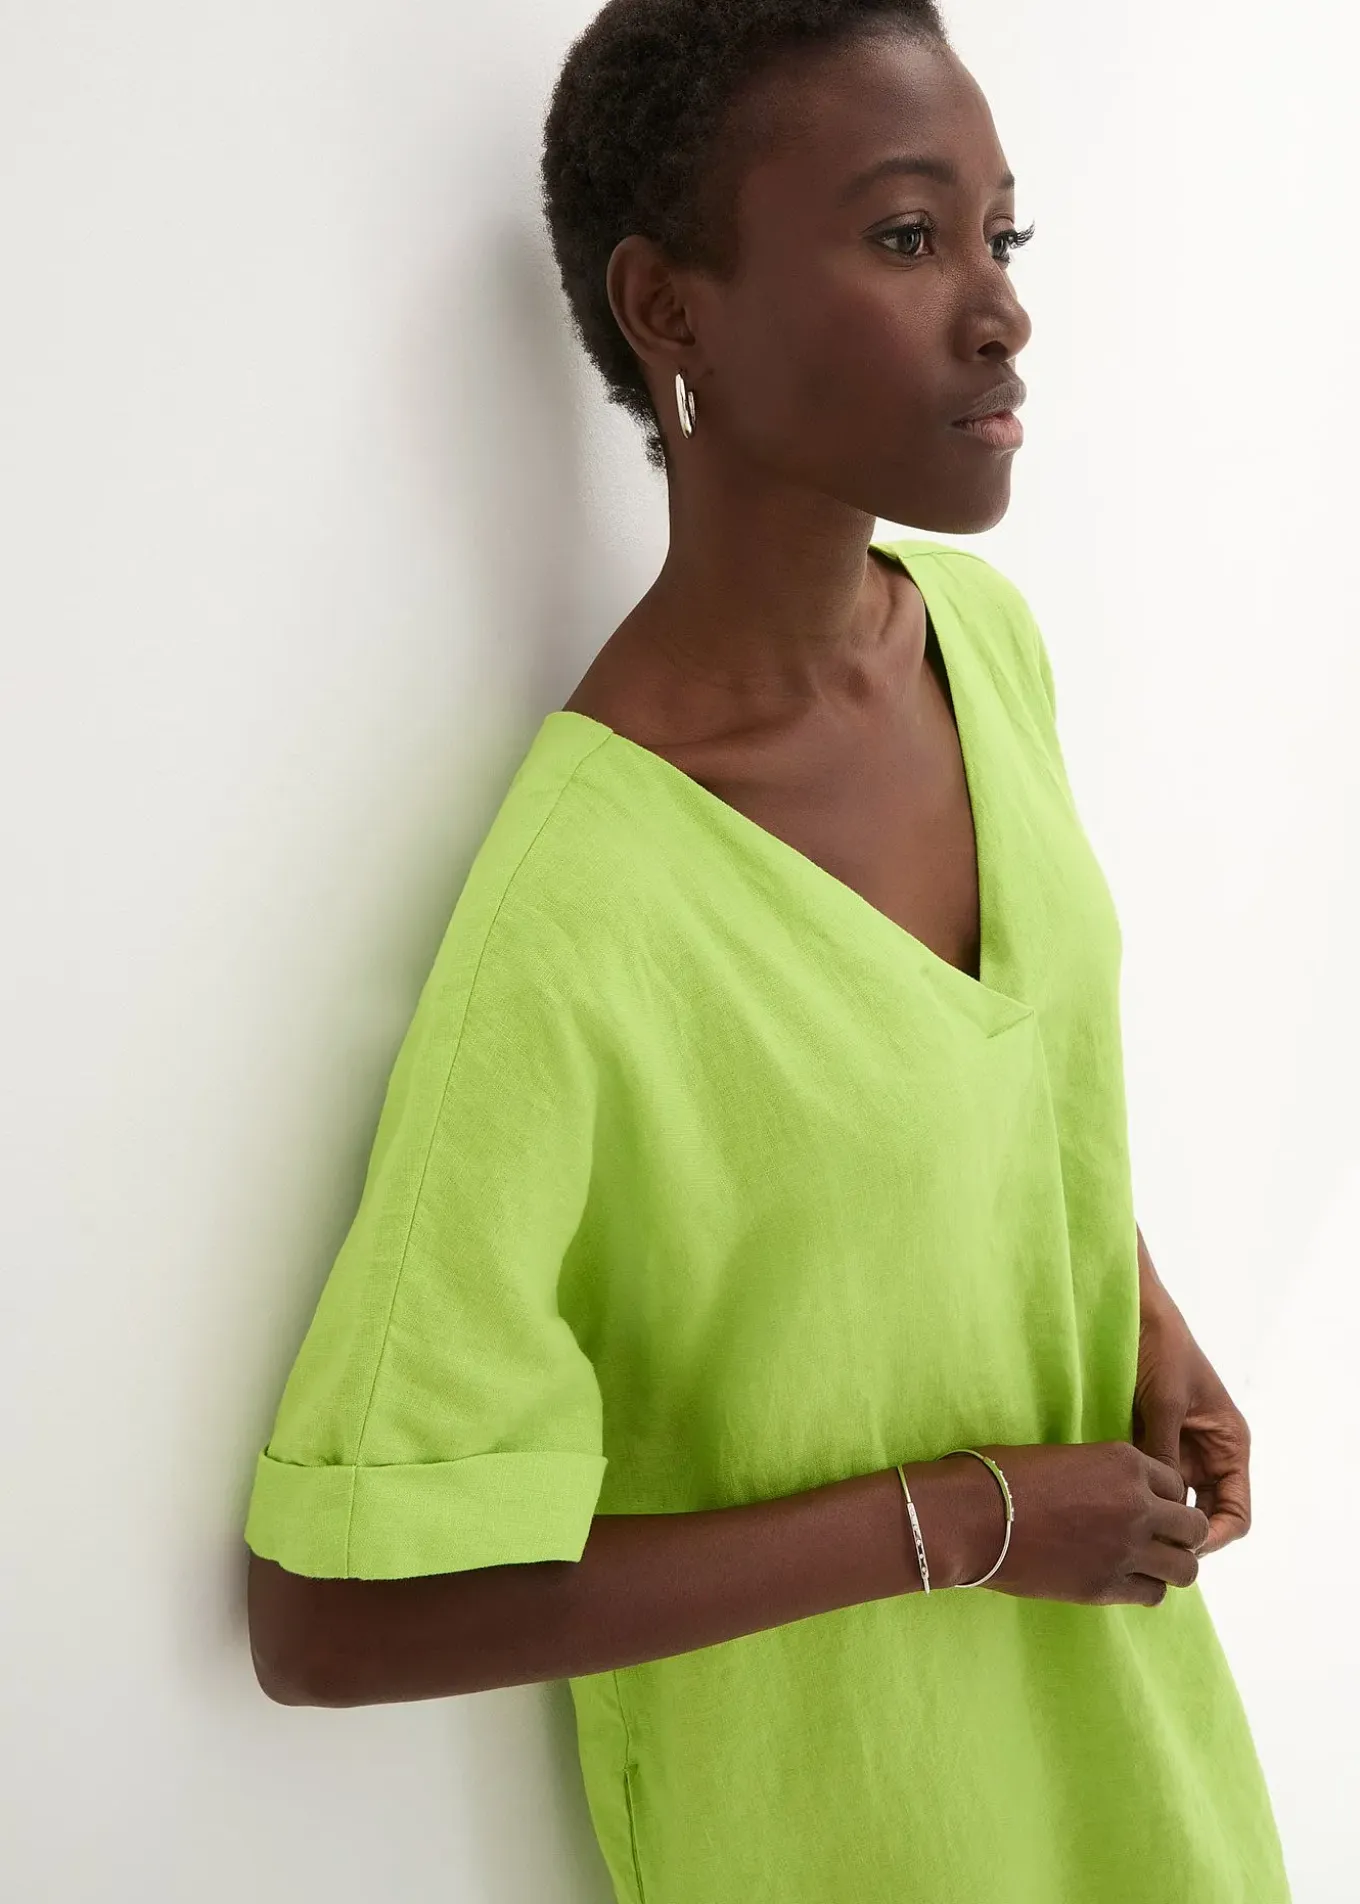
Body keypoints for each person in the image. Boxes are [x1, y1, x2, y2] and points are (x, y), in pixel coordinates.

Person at [243, 4, 1293, 1900]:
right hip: (852, 1843)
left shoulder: (979, 644)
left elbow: (996, 1082)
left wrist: (1145, 1321)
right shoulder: (585, 908)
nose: (1001, 310)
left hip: (1140, 1785)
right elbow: (330, 1623)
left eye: (1001, 233)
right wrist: (971, 1522)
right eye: (907, 237)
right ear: (673, 310)